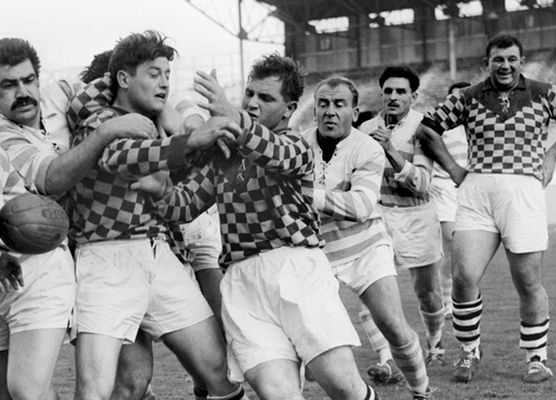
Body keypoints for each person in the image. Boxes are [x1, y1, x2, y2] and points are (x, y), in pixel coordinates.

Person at [138, 53, 378, 400]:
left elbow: (274, 154)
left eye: (265, 98)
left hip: (297, 270)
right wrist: (161, 189)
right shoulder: (222, 156)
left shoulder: (296, 146)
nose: (252, 103)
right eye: (249, 94)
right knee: (278, 395)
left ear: (289, 108)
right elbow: (184, 206)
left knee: (344, 387)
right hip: (241, 281)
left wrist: (234, 118)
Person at [65, 31, 245, 400]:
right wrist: (191, 141)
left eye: (167, 72)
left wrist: (209, 143)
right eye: (154, 72)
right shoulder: (97, 118)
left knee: (218, 371)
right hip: (105, 258)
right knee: (100, 389)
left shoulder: (155, 120)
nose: (164, 81)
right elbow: (120, 158)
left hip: (157, 253)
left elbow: (171, 163)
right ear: (123, 79)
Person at [417, 33, 556, 383]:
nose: (505, 65)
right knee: (464, 276)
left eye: (512, 58)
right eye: (498, 59)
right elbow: (428, 128)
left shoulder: (543, 92)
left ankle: (537, 358)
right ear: (487, 63)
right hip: (477, 189)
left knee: (528, 281)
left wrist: (552, 155)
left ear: (521, 61)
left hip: (522, 189)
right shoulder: (469, 97)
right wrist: (454, 169)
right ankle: (468, 352)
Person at [0, 37, 160, 400]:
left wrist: (171, 112)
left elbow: (140, 88)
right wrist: (107, 132)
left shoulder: (64, 93)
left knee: (131, 377)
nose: (22, 93)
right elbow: (52, 176)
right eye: (7, 86)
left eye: (27, 81)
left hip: (107, 244)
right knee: (19, 391)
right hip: (43, 254)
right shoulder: (5, 135)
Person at [301, 76, 433, 399]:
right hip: (318, 253)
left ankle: (422, 392)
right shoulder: (298, 145)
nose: (330, 111)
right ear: (314, 109)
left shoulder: (369, 148)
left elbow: (360, 205)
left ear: (354, 110)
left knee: (393, 326)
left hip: (366, 247)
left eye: (339, 104)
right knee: (308, 345)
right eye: (323, 104)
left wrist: (306, 193)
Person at [357, 66, 446, 382]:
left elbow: (421, 183)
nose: (393, 97)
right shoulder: (366, 127)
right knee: (373, 289)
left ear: (414, 96)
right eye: (388, 91)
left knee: (428, 293)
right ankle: (386, 360)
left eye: (400, 92)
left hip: (417, 216)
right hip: (379, 216)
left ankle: (435, 344)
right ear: (381, 93)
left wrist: (390, 151)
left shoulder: (424, 128)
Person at [430, 81, 471, 318]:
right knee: (450, 240)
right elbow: (422, 154)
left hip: (468, 189)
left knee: (464, 250)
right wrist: (429, 184)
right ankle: (448, 301)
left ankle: (460, 299)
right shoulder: (439, 128)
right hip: (443, 187)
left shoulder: (477, 127)